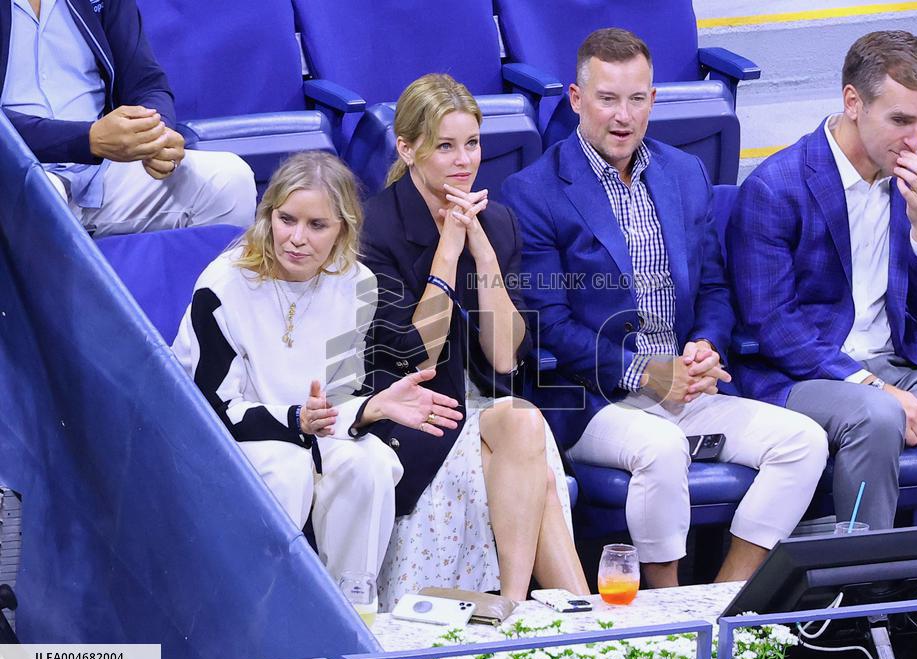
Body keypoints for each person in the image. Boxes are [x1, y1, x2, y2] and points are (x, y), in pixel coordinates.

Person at [503, 29, 829, 586]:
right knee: (662, 447)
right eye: (607, 99)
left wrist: (705, 345)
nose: (623, 115)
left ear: (654, 99)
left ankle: (728, 600)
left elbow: (715, 288)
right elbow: (549, 327)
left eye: (636, 98)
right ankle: (668, 611)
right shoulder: (533, 191)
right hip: (593, 399)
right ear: (577, 100)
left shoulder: (685, 173)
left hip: (686, 386)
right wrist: (646, 373)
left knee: (804, 441)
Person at [727, 30, 917, 531]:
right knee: (877, 416)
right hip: (803, 377)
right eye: (900, 121)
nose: (915, 141)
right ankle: (863, 595)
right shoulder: (775, 187)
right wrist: (872, 385)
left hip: (900, 363)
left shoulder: (910, 183)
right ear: (853, 101)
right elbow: (772, 326)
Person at [173, 151, 463, 582]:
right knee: (288, 468)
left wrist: (372, 409)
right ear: (268, 215)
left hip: (306, 432)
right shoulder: (223, 285)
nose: (296, 238)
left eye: (317, 225)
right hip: (234, 438)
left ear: (342, 228)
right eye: (286, 219)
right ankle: (265, 609)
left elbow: (335, 402)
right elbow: (209, 409)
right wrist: (296, 420)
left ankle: (352, 602)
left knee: (371, 463)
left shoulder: (357, 283)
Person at [360, 73, 589, 609]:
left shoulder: (500, 223)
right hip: (409, 409)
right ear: (407, 148)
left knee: (524, 420)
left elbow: (506, 357)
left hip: (480, 406)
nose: (464, 160)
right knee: (536, 468)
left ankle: (513, 602)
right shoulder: (374, 229)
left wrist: (484, 256)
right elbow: (419, 354)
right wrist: (449, 249)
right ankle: (581, 613)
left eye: (472, 143)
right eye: (445, 146)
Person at [1, 0, 256, 235]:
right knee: (42, 197)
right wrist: (86, 140)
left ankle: (198, 286)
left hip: (102, 170)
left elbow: (147, 83)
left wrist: (156, 136)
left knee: (229, 181)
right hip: (13, 170)